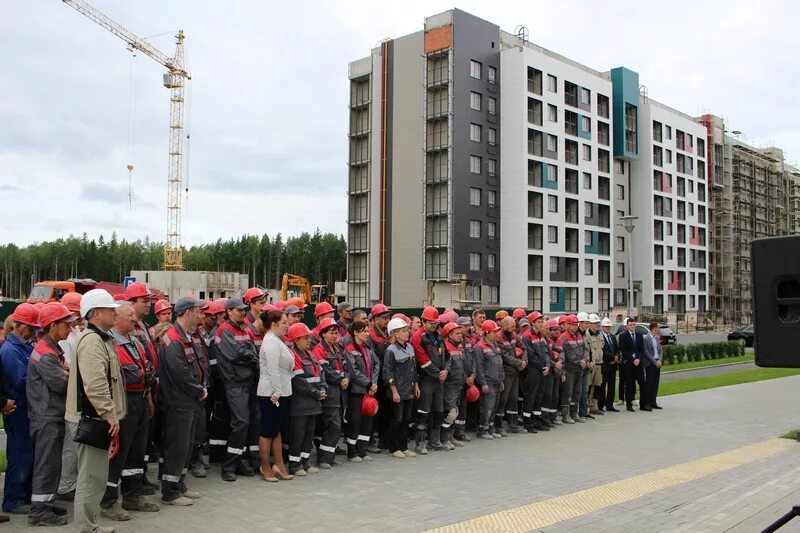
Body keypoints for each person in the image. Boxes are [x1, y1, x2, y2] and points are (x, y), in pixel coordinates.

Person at [66, 289, 125, 533]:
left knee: (94, 477)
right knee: (91, 478)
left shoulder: (101, 338)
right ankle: (86, 528)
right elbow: (96, 384)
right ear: (95, 313)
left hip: (96, 417)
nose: (115, 312)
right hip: (93, 419)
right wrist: (110, 414)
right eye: (110, 309)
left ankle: (89, 526)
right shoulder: (92, 341)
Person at [99, 302, 159, 521]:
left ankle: (132, 496)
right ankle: (108, 502)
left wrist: (149, 399)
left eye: (134, 315)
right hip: (124, 402)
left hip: (141, 400)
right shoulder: (110, 342)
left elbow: (145, 368)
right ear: (116, 318)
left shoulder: (134, 340)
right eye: (130, 315)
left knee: (137, 451)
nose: (135, 319)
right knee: (119, 453)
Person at [27, 303, 75, 526]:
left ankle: (46, 503)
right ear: (52, 325)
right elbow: (61, 383)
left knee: (52, 464)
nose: (70, 328)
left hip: (49, 415)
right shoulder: (46, 354)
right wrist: (72, 375)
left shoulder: (50, 348)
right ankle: (39, 513)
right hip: (47, 417)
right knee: (47, 465)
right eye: (65, 324)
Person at [158, 297, 207, 506]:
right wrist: (198, 390)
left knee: (186, 446)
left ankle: (179, 484)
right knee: (177, 446)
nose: (200, 315)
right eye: (197, 311)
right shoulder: (173, 339)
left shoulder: (185, 335)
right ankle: (170, 492)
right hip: (178, 402)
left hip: (188, 401)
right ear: (187, 312)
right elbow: (180, 373)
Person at [215, 297, 260, 481]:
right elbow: (234, 354)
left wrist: (248, 355)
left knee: (246, 424)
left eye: (243, 310)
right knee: (240, 423)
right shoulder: (225, 330)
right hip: (234, 384)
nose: (242, 313)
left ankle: (237, 460)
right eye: (239, 310)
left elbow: (251, 354)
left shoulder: (242, 329)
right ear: (229, 311)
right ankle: (229, 466)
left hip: (246, 383)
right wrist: (248, 356)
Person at [1, 303, 39, 515]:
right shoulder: (10, 351)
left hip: (27, 408)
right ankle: (13, 500)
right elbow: (21, 380)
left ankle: (24, 496)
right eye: (30, 327)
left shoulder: (24, 346)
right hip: (18, 408)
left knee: (28, 453)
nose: (33, 331)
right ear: (18, 325)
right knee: (20, 453)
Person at [256, 310, 294, 482]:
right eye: (284, 322)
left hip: (280, 391)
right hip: (271, 393)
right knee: (267, 431)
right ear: (274, 324)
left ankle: (279, 464)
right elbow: (273, 370)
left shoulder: (277, 340)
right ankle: (265, 466)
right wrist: (277, 393)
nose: (287, 325)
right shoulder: (270, 342)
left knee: (276, 430)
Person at [286, 323, 327, 476]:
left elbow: (321, 374)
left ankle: (305, 462)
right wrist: (317, 393)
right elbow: (299, 382)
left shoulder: (311, 354)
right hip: (300, 404)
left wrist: (322, 388)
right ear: (296, 340)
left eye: (309, 337)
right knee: (298, 435)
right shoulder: (293, 356)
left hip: (313, 403)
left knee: (308, 434)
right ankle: (294, 465)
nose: (309, 340)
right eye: (305, 338)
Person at [410, 306, 450, 454]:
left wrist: (446, 370)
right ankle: (420, 443)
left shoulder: (438, 336)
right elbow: (423, 361)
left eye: (435, 322)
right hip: (426, 379)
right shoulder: (418, 338)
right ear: (423, 321)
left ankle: (435, 441)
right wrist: (439, 373)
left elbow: (447, 355)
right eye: (430, 322)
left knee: (438, 411)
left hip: (439, 380)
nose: (434, 325)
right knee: (423, 411)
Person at [310, 317, 348, 469]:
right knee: (334, 426)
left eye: (336, 333)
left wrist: (345, 377)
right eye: (331, 332)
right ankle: (324, 458)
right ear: (323, 334)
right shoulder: (319, 350)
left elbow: (344, 366)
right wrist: (341, 379)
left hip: (338, 393)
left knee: (335, 426)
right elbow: (325, 370)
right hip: (330, 393)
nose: (335, 335)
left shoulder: (337, 348)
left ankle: (329, 456)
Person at [343, 320, 379, 461]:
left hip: (370, 391)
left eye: (367, 330)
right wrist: (369, 383)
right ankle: (352, 452)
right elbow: (354, 372)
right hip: (357, 392)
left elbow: (377, 364)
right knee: (355, 421)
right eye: (364, 331)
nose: (367, 333)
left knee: (367, 420)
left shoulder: (368, 349)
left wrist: (374, 383)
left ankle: (362, 450)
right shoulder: (349, 350)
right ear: (356, 333)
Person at [382, 318, 418, 458]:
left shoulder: (410, 348)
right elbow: (387, 373)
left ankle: (404, 447)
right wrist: (394, 391)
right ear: (395, 333)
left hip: (409, 390)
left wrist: (416, 385)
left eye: (407, 330)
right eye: (403, 331)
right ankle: (394, 448)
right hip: (398, 392)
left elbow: (414, 369)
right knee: (397, 419)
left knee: (406, 419)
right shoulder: (391, 350)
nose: (407, 333)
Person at [366, 304, 391, 453]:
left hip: (386, 378)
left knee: (386, 411)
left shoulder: (387, 334)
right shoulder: (370, 336)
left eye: (388, 317)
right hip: (375, 379)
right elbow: (373, 359)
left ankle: (384, 440)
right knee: (373, 411)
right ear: (375, 319)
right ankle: (369, 441)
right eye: (384, 317)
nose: (387, 320)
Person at [496, 317, 526, 436]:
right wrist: (519, 363)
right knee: (503, 399)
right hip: (506, 373)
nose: (515, 328)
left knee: (513, 399)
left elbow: (524, 348)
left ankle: (512, 424)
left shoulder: (514, 335)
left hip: (515, 372)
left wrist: (524, 361)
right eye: (512, 326)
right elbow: (505, 356)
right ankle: (500, 425)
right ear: (505, 326)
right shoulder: (499, 338)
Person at [473, 320, 504, 440]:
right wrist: (483, 383)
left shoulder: (495, 345)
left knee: (494, 407)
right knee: (487, 407)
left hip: (496, 381)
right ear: (487, 333)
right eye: (494, 332)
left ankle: (491, 428)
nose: (497, 334)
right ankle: (483, 429)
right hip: (488, 382)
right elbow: (479, 367)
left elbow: (500, 363)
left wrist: (501, 380)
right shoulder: (479, 348)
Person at [520, 312, 550, 433]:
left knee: (539, 395)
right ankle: (527, 421)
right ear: (532, 323)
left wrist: (547, 365)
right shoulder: (526, 336)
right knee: (530, 396)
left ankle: (536, 420)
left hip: (542, 370)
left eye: (542, 322)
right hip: (532, 371)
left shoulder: (540, 335)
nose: (541, 324)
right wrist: (542, 367)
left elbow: (546, 352)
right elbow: (531, 356)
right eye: (538, 322)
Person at [441, 322, 468, 449]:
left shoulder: (459, 347)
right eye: (457, 333)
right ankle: (444, 438)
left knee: (455, 412)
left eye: (460, 333)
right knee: (450, 413)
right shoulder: (446, 348)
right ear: (449, 335)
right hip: (450, 386)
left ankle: (450, 437)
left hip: (459, 385)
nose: (460, 336)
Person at [558, 315, 586, 424]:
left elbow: (585, 349)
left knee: (577, 392)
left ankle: (574, 413)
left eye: (576, 325)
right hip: (570, 369)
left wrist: (585, 360)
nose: (575, 327)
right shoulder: (564, 337)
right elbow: (568, 354)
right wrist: (580, 361)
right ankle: (566, 415)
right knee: (567, 392)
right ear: (568, 325)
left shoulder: (579, 335)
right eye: (573, 325)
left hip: (580, 368)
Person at [453, 317, 476, 442]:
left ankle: (460, 432)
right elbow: (456, 364)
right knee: (454, 407)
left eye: (469, 325)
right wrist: (465, 377)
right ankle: (452, 433)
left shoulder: (468, 342)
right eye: (466, 325)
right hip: (457, 380)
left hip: (468, 380)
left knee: (463, 407)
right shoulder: (453, 343)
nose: (469, 328)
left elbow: (473, 361)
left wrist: (473, 375)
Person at [618, 318, 646, 412]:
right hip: (629, 364)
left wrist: (638, 359)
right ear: (627, 326)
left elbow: (642, 349)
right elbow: (623, 350)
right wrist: (633, 359)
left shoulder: (639, 335)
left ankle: (643, 404)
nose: (632, 326)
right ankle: (629, 404)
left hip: (638, 363)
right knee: (629, 384)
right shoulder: (623, 336)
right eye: (630, 325)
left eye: (634, 325)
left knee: (642, 383)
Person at [584, 314, 605, 416]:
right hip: (592, 364)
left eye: (598, 323)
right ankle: (587, 406)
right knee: (588, 386)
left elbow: (602, 348)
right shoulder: (586, 335)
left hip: (599, 364)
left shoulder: (600, 335)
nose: (597, 325)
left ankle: (594, 406)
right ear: (590, 324)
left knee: (597, 386)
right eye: (595, 323)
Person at [599, 318, 620, 412]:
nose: (608, 328)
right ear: (602, 327)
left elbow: (617, 348)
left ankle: (609, 405)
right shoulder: (600, 337)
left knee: (612, 385)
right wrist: (612, 358)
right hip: (605, 364)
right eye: (606, 326)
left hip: (613, 365)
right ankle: (601, 405)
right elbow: (602, 351)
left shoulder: (612, 336)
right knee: (602, 386)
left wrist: (616, 357)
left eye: (609, 327)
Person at [642, 322, 663, 411]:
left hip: (657, 363)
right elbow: (646, 352)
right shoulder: (646, 338)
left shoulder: (657, 338)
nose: (659, 329)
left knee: (655, 384)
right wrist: (654, 361)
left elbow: (660, 350)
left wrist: (660, 360)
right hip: (650, 364)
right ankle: (646, 403)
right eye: (658, 327)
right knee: (649, 384)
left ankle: (653, 402)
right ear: (654, 328)